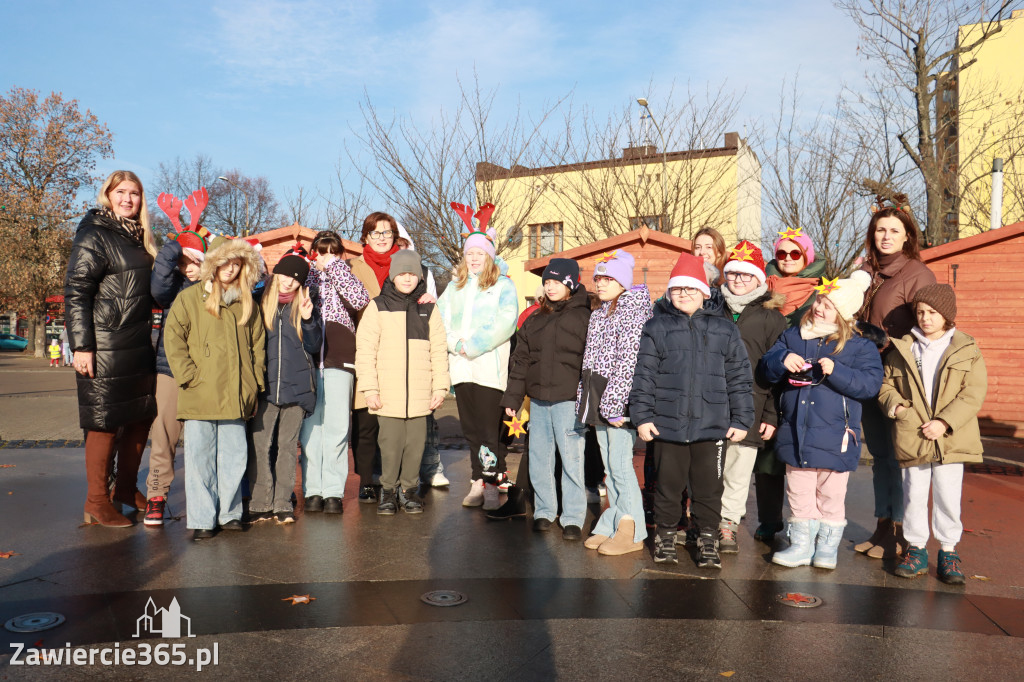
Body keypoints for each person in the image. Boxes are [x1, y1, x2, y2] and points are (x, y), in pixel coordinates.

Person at [631, 253, 753, 568]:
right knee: (668, 488)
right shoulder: (656, 327)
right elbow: (643, 375)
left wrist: (741, 419)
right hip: (667, 426)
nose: (683, 294)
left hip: (711, 426)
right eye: (677, 288)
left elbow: (739, 377)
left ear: (704, 291)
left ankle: (707, 539)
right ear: (669, 292)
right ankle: (666, 538)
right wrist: (642, 416)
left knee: (709, 490)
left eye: (690, 288)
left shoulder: (724, 330)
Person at [761, 270, 883, 569]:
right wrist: (780, 360)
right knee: (799, 492)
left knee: (830, 494)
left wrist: (836, 370)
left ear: (842, 313)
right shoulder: (794, 336)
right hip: (796, 431)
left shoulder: (859, 345)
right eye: (819, 301)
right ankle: (801, 544)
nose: (819, 308)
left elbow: (869, 385)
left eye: (828, 305)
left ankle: (827, 548)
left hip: (835, 436)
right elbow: (767, 367)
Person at [64, 170, 158, 527]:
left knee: (139, 416)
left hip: (136, 345)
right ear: (108, 194)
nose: (128, 199)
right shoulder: (95, 234)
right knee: (103, 423)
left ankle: (125, 489)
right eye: (121, 192)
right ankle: (97, 500)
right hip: (103, 345)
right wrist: (82, 346)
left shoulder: (140, 239)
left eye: (134, 193)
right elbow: (77, 292)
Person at [878, 284, 987, 584]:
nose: (925, 318)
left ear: (947, 316)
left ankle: (949, 552)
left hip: (952, 436)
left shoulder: (967, 348)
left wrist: (944, 421)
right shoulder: (904, 347)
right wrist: (898, 409)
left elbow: (973, 393)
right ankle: (916, 550)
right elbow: (886, 385)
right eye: (921, 312)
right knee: (913, 493)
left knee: (948, 494)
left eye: (933, 313)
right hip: (913, 432)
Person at [164, 238, 266, 540]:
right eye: (226, 261)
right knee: (199, 458)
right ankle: (202, 518)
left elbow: (258, 345)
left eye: (237, 263)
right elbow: (174, 339)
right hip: (201, 391)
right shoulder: (190, 298)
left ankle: (230, 513)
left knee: (234, 456)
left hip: (236, 393)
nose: (231, 268)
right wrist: (188, 375)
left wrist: (254, 382)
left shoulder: (246, 302)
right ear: (214, 263)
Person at [855, 196, 937, 560]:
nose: (885, 237)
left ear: (907, 237)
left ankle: (902, 531)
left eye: (893, 231)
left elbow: (930, 325)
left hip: (900, 378)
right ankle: (883, 525)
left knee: (901, 455)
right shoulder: (867, 271)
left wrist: (888, 341)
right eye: (879, 230)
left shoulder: (918, 274)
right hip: (867, 374)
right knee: (879, 455)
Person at [500, 258, 590, 539]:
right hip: (538, 400)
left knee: (572, 459)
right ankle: (544, 510)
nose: (550, 287)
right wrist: (513, 398)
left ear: (571, 284)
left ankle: (573, 516)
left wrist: (587, 399)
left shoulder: (585, 318)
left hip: (568, 401)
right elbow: (521, 360)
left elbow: (592, 362)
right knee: (540, 457)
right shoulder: (535, 319)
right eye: (547, 282)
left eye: (557, 282)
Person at [355, 250, 450, 515]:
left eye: (412, 273)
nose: (407, 278)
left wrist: (440, 386)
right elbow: (365, 350)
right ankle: (387, 489)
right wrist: (369, 389)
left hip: (420, 394)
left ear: (419, 276)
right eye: (402, 273)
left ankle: (409, 490)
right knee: (390, 444)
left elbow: (439, 349)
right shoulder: (378, 306)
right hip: (388, 394)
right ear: (393, 276)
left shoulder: (429, 308)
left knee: (415, 444)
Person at [437, 203, 518, 511]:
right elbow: (439, 320)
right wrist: (454, 345)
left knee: (488, 430)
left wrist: (472, 345)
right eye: (469, 253)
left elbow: (505, 322)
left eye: (479, 253)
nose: (473, 259)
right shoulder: (455, 287)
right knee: (471, 430)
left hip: (487, 368)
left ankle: (492, 482)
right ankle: (478, 480)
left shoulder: (503, 286)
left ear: (490, 256)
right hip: (461, 368)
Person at [755, 226, 828, 545]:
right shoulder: (762, 288)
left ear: (806, 257)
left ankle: (809, 521)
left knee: (806, 456)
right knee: (767, 455)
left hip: (808, 382)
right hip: (769, 374)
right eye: (781, 252)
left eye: (794, 253)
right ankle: (770, 519)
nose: (786, 259)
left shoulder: (821, 291)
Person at [577, 249, 652, 555]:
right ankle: (613, 519)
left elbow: (629, 363)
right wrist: (586, 399)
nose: (601, 283)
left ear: (623, 281)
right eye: (598, 277)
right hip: (598, 396)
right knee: (609, 464)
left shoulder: (635, 313)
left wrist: (616, 404)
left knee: (621, 464)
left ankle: (632, 528)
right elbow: (591, 360)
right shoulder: (600, 312)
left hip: (618, 401)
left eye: (608, 278)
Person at [715, 241, 787, 554]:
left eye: (746, 275)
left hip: (752, 405)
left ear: (758, 278)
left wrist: (771, 415)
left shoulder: (773, 319)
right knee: (708, 470)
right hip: (710, 403)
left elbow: (778, 374)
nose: (739, 280)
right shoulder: (710, 309)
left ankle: (728, 524)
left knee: (738, 470)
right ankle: (705, 523)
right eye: (733, 274)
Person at [249, 247, 322, 525]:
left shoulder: (304, 305)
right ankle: (259, 502)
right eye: (285, 275)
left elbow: (314, 346)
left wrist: (307, 318)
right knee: (260, 445)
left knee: (287, 447)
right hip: (265, 388)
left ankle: (282, 503)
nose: (288, 281)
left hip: (296, 387)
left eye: (295, 278)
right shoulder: (258, 301)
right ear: (276, 273)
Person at [300, 231, 370, 514]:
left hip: (340, 360)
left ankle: (332, 492)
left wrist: (335, 267)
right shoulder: (308, 278)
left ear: (341, 254)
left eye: (333, 250)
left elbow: (360, 299)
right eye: (321, 250)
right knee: (311, 429)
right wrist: (315, 271)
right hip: (309, 361)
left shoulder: (347, 274)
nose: (327, 255)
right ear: (313, 252)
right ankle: (312, 490)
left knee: (337, 427)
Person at [144, 226, 207, 527]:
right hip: (169, 369)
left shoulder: (213, 288)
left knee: (200, 441)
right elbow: (158, 286)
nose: (189, 269)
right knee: (164, 435)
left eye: (195, 262)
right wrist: (174, 248)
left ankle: (203, 499)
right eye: (184, 263)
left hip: (204, 375)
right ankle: (156, 495)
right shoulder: (170, 289)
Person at [348, 213, 403, 503]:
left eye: (386, 232)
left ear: (394, 236)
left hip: (398, 353)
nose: (381, 238)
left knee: (394, 421)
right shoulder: (353, 267)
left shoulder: (405, 265)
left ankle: (393, 479)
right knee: (365, 421)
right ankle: (367, 480)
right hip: (364, 350)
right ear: (365, 237)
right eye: (375, 233)